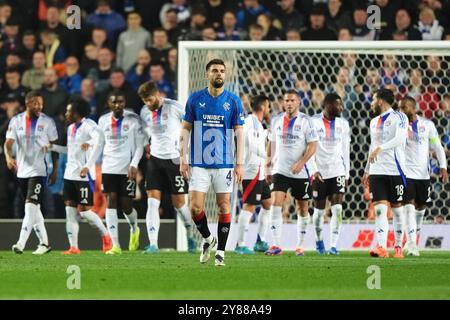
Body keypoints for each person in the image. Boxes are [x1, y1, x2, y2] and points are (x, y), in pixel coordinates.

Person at [179, 59, 244, 266]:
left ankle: (221, 254)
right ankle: (208, 239)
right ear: (207, 74)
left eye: (222, 71)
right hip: (199, 162)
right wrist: (183, 159)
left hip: (224, 163)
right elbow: (185, 129)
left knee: (224, 206)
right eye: (215, 70)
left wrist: (239, 163)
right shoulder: (195, 99)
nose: (219, 74)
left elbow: (239, 133)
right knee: (195, 207)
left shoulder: (233, 101)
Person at [47, 97, 112, 255]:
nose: (66, 113)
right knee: (70, 212)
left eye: (69, 110)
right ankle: (74, 247)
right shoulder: (70, 128)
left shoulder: (90, 126)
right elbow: (71, 151)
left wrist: (87, 166)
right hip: (70, 175)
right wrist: (53, 147)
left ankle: (106, 237)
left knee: (85, 213)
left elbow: (99, 142)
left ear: (77, 113)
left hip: (84, 176)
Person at [138, 81, 196, 254]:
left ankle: (190, 233)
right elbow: (143, 131)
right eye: (144, 101)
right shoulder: (144, 112)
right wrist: (146, 144)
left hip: (175, 161)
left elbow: (190, 128)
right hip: (155, 160)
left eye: (149, 100)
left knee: (179, 204)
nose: (147, 104)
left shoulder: (175, 107)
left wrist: (187, 156)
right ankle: (153, 244)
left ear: (158, 95)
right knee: (152, 202)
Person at [4, 91, 59, 255]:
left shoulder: (48, 122)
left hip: (39, 171)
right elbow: (8, 143)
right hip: (22, 171)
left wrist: (55, 169)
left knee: (30, 206)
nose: (39, 106)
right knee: (35, 209)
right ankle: (45, 243)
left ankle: (20, 243)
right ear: (27, 103)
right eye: (36, 103)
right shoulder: (16, 121)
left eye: (41, 104)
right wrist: (8, 157)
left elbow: (54, 147)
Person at [265, 89, 318, 256]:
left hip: (300, 172)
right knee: (275, 203)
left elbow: (313, 146)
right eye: (286, 100)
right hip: (280, 170)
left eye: (292, 100)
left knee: (302, 208)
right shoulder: (276, 121)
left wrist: (301, 163)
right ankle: (276, 244)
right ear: (283, 102)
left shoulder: (306, 121)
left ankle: (300, 246)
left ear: (298, 102)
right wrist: (267, 166)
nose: (288, 103)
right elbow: (271, 144)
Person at [362, 88, 408, 259]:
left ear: (381, 101)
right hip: (377, 171)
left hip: (395, 170)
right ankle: (381, 246)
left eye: (373, 99)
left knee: (397, 211)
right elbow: (372, 146)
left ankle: (398, 247)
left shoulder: (399, 117)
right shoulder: (373, 122)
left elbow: (400, 138)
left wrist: (381, 148)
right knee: (380, 211)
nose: (372, 103)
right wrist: (367, 170)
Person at [399, 96, 448, 256]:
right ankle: (412, 243)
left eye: (404, 107)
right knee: (408, 207)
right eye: (399, 108)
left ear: (413, 108)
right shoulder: (399, 126)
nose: (401, 111)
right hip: (406, 174)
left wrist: (443, 167)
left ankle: (412, 240)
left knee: (420, 209)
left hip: (423, 175)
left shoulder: (427, 125)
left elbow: (437, 146)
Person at [98, 90, 144, 254]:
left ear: (124, 103)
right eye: (114, 102)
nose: (117, 105)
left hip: (127, 168)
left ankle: (134, 228)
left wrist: (134, 164)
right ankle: (115, 246)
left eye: (121, 102)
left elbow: (140, 145)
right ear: (108, 104)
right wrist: (90, 164)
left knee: (126, 206)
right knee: (111, 200)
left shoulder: (134, 119)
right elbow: (99, 144)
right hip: (108, 167)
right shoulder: (103, 120)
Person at [310, 93, 350, 255]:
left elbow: (345, 150)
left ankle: (333, 245)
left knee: (338, 209)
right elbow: (309, 148)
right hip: (319, 172)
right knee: (319, 212)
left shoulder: (344, 124)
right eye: (338, 105)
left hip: (337, 170)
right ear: (327, 105)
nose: (341, 108)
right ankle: (319, 241)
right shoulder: (313, 122)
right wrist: (313, 169)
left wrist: (346, 173)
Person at [235, 95, 272, 254]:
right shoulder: (249, 121)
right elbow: (246, 140)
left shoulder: (259, 125)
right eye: (268, 106)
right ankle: (240, 244)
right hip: (251, 170)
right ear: (263, 107)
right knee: (249, 206)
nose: (269, 109)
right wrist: (266, 156)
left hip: (260, 171)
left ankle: (260, 241)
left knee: (268, 203)